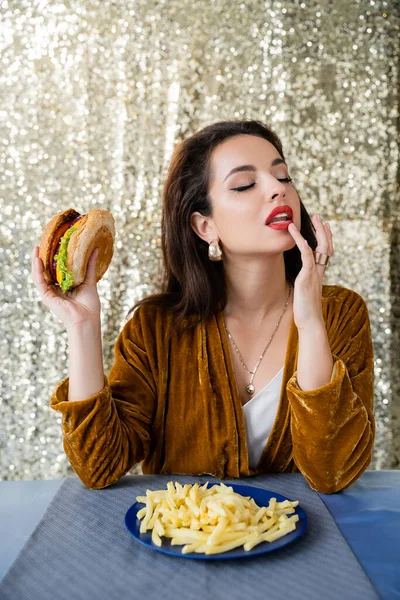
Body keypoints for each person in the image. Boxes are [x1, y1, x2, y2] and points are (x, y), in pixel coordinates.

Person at [31, 120, 375, 494]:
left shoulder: (340, 314)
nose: (277, 189)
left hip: (308, 546)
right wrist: (82, 327)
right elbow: (99, 466)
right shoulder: (154, 328)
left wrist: (310, 326)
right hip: (179, 547)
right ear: (204, 226)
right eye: (245, 184)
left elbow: (333, 473)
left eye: (284, 176)